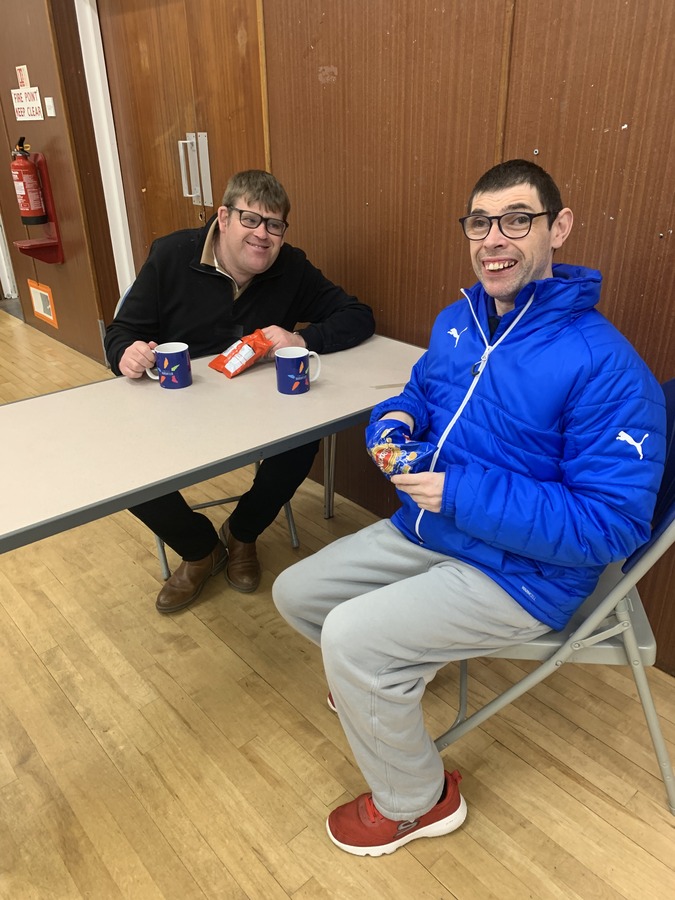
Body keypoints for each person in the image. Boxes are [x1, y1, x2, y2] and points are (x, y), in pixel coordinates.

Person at [272, 159, 666, 857]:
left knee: (352, 640)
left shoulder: (602, 364)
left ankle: (416, 802)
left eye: (517, 220)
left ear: (559, 227)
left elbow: (610, 528)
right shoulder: (458, 322)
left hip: (525, 573)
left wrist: (459, 492)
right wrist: (389, 427)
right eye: (479, 223)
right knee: (297, 593)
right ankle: (389, 684)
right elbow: (418, 395)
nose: (494, 239)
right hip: (433, 530)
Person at [105, 170, 374, 613]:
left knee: (303, 439)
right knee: (121, 470)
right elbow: (122, 331)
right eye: (251, 220)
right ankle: (199, 549)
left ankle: (243, 533)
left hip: (257, 405)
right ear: (224, 218)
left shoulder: (291, 266)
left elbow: (357, 314)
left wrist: (302, 340)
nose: (263, 235)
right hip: (179, 400)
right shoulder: (172, 255)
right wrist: (125, 355)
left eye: (274, 225)